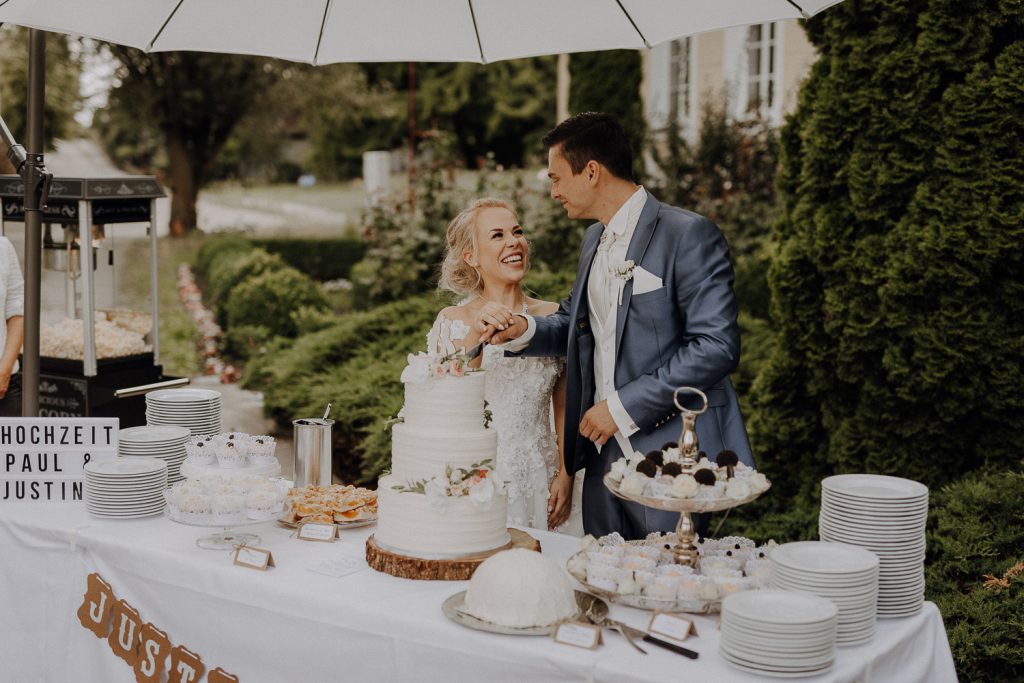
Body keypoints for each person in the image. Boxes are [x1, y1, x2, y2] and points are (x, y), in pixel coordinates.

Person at [480, 112, 753, 539]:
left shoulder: (688, 234)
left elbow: (716, 346)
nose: (553, 193)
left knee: (668, 583)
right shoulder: (594, 240)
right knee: (608, 579)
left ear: (591, 172)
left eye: (556, 178)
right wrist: (522, 330)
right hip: (602, 458)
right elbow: (576, 323)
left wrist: (621, 409)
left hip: (672, 459)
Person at [427, 197, 583, 534]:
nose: (514, 241)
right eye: (497, 235)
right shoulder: (453, 320)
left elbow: (565, 405)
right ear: (471, 256)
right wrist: (478, 336)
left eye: (518, 231)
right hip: (480, 476)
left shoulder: (553, 316)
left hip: (544, 476)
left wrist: (567, 475)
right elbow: (450, 408)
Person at [0, 235, 25, 417]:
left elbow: (17, 313)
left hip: (5, 384)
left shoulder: (3, 247)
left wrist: (4, 371)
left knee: (10, 446)